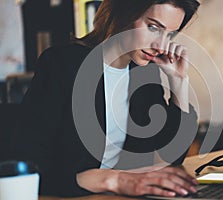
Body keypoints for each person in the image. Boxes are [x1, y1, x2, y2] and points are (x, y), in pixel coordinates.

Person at [13, 0, 200, 197]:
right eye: (153, 27)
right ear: (124, 12)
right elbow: (28, 169)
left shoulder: (145, 74)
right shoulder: (61, 65)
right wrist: (112, 180)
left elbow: (173, 156)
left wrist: (178, 82)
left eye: (169, 34)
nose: (160, 46)